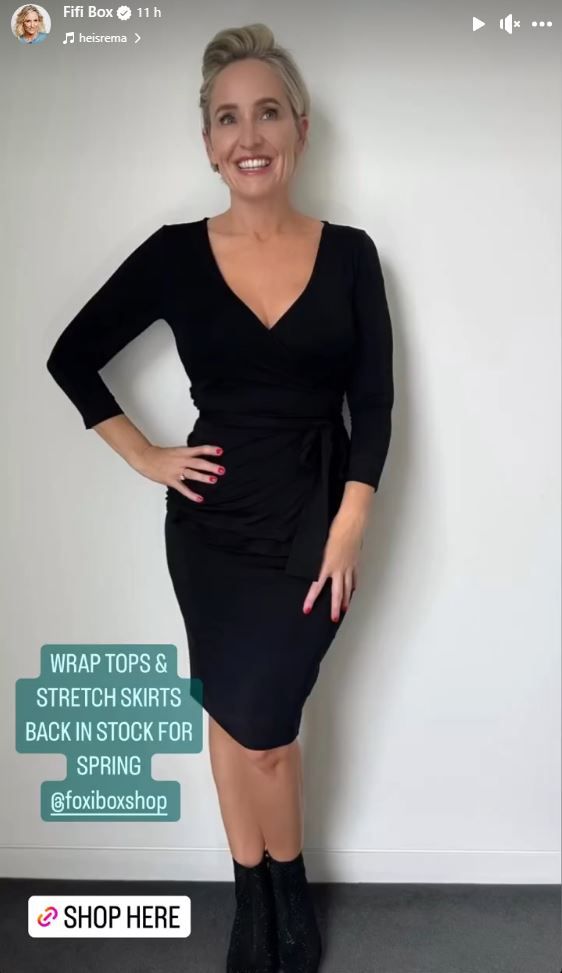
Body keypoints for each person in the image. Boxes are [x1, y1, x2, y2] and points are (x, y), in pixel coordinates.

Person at [46, 22, 394, 973]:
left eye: (268, 112)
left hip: (315, 518)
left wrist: (353, 520)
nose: (250, 133)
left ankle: (291, 885)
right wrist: (145, 456)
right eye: (229, 117)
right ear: (207, 142)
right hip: (211, 528)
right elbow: (71, 357)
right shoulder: (172, 254)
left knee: (267, 729)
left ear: (300, 130)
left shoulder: (352, 255)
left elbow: (372, 404)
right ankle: (255, 899)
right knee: (230, 715)